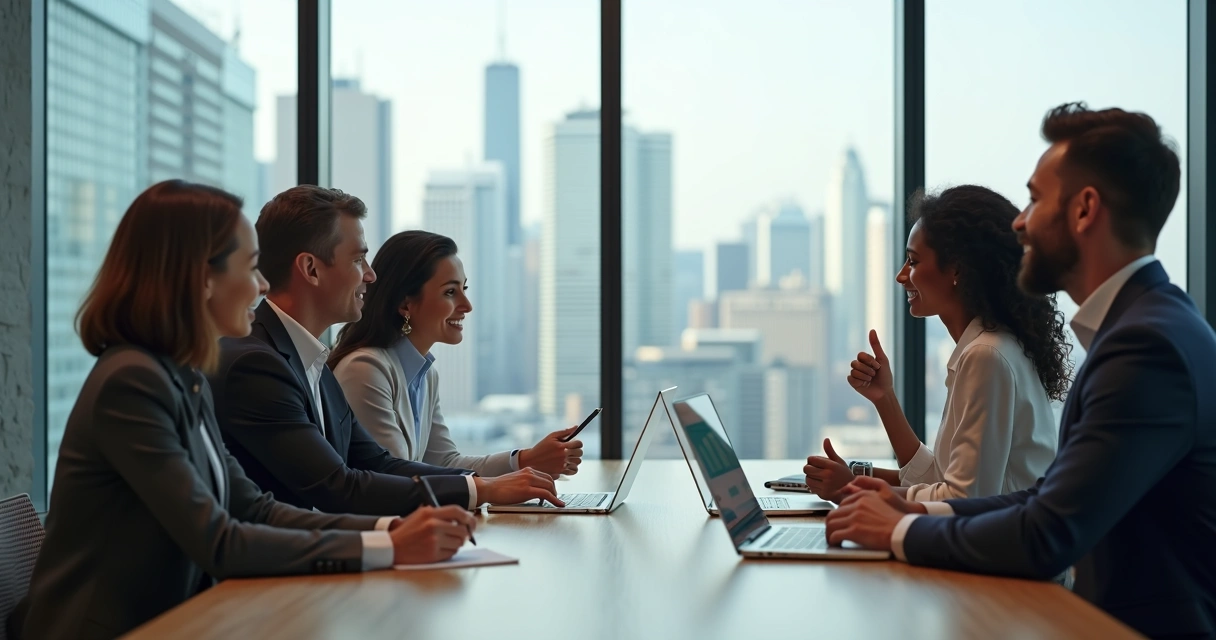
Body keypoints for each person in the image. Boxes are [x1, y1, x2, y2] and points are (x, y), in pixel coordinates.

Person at [16, 181, 475, 640]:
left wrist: (393, 529)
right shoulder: (131, 382)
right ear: (201, 278)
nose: (261, 285)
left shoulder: (183, 375)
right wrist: (388, 545)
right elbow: (219, 540)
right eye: (251, 268)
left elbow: (255, 508)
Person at [824, 103, 1216, 638]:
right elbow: (1047, 494)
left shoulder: (1145, 348)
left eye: (1034, 198)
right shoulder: (1145, 327)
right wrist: (911, 513)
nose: (1019, 221)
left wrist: (901, 530)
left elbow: (1048, 533)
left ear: (1084, 211)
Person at [209, 185, 564, 515]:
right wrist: (481, 491)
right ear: (311, 269)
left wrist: (487, 484)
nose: (370, 276)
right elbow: (337, 486)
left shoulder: (312, 362)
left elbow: (379, 463)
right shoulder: (257, 363)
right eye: (358, 260)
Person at [804, 186, 1068, 502]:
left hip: (994, 549)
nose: (902, 276)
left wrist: (850, 490)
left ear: (956, 269)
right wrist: (884, 398)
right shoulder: (987, 347)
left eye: (913, 262)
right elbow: (940, 479)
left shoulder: (986, 356)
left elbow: (962, 499)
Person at [329, 230, 583, 479]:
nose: (467, 305)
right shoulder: (365, 369)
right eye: (450, 292)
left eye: (464, 288)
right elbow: (394, 477)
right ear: (406, 304)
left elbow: (444, 462)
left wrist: (527, 460)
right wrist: (496, 486)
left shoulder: (424, 375)